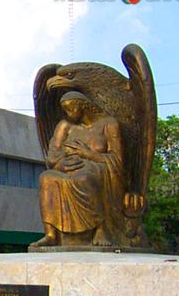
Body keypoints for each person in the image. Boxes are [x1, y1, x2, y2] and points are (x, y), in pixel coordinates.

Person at [31, 91, 125, 248]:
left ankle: (100, 229)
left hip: (98, 171)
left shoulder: (109, 124)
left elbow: (118, 160)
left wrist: (87, 154)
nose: (67, 113)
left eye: (70, 109)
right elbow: (52, 157)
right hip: (67, 170)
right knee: (46, 178)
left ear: (84, 106)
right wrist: (60, 164)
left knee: (83, 178)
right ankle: (51, 234)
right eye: (65, 109)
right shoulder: (64, 126)